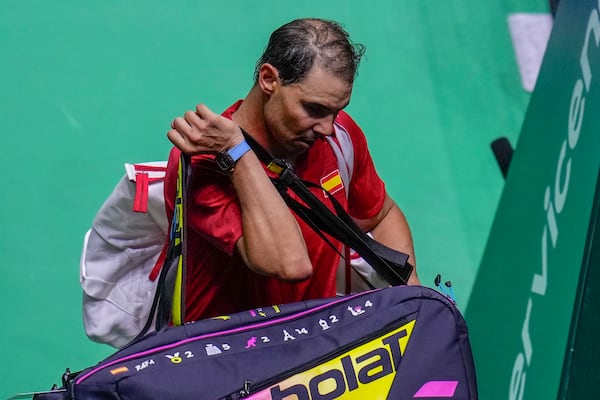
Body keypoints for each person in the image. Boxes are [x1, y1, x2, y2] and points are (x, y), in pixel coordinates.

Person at [165, 18, 419, 322]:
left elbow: (382, 213)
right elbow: (289, 264)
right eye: (314, 109)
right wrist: (238, 153)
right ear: (269, 79)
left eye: (337, 111)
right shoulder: (205, 163)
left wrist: (412, 299)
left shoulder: (339, 137)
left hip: (314, 345)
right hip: (233, 355)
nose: (328, 127)